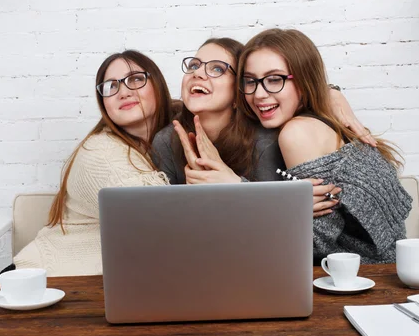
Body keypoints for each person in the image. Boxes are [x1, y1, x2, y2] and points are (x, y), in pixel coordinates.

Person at [237, 28, 412, 264]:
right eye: (250, 81)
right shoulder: (327, 119)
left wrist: (239, 189)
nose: (258, 94)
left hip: (358, 279)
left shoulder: (296, 133)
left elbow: (313, 244)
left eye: (274, 79)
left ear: (303, 80)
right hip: (383, 269)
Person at [152, 37, 371, 215]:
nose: (198, 73)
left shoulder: (267, 140)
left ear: (239, 94)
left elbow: (302, 219)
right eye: (194, 65)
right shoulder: (166, 139)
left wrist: (235, 188)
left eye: (217, 69)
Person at [12, 51, 173, 276]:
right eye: (111, 86)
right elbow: (166, 222)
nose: (124, 92)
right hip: (43, 281)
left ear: (158, 84)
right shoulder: (101, 152)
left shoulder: (167, 140)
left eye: (136, 79)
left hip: (104, 285)